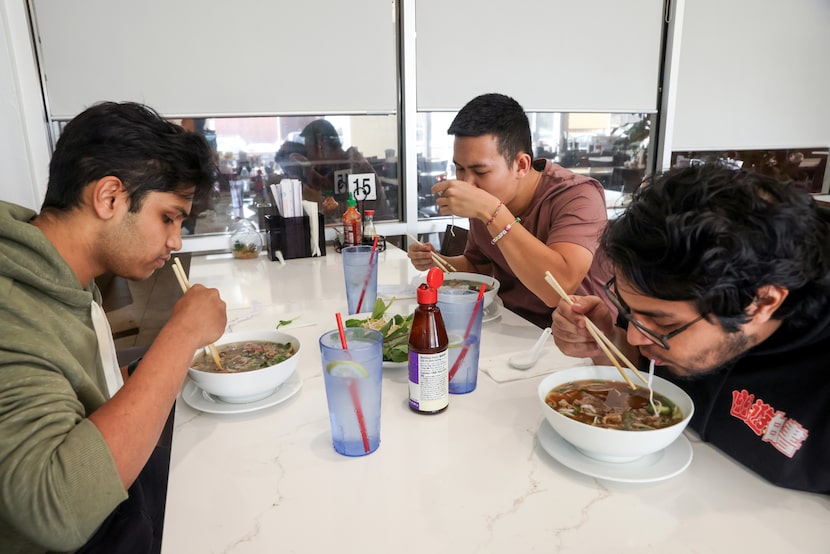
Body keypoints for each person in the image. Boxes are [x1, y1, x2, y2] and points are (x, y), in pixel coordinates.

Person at [0, 101, 228, 552]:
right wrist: (181, 335)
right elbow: (56, 510)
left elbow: (106, 395)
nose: (175, 242)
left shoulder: (68, 278)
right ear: (108, 197)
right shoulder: (13, 310)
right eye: (168, 217)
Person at [551, 163, 830, 494]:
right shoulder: (664, 288)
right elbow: (642, 377)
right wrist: (604, 342)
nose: (635, 335)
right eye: (629, 310)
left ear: (762, 302)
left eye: (664, 323)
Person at [408, 93, 612, 328]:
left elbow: (557, 290)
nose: (467, 183)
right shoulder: (488, 200)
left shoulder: (579, 196)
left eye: (481, 171)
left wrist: (491, 211)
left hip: (578, 339)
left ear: (521, 165)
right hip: (511, 325)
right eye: (460, 169)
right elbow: (481, 266)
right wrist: (438, 262)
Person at [291, 119, 392, 223]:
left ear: (320, 146)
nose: (309, 155)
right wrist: (307, 168)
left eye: (309, 149)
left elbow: (349, 210)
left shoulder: (354, 167)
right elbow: (326, 185)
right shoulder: (341, 166)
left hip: (376, 232)